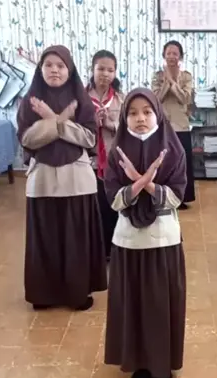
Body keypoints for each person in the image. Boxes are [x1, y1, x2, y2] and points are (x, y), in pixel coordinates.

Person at [103, 88, 187, 378]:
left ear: (158, 115)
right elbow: (114, 201)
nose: (140, 118)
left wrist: (147, 182)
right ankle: (138, 362)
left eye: (147, 112)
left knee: (160, 305)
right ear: (124, 118)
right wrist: (139, 182)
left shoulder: (173, 150)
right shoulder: (117, 152)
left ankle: (161, 364)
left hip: (163, 240)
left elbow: (176, 198)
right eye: (133, 113)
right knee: (133, 304)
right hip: (128, 241)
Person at [16, 45, 107, 311]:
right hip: (42, 179)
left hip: (76, 178)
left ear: (70, 70)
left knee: (75, 240)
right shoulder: (30, 101)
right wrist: (63, 121)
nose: (54, 70)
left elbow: (89, 138)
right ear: (40, 69)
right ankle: (44, 294)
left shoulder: (81, 100)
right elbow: (27, 139)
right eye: (48, 65)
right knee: (45, 240)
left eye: (60, 65)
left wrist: (51, 119)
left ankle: (77, 293)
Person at [86, 50, 124, 262]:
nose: (105, 74)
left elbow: (128, 130)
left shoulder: (120, 99)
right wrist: (93, 123)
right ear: (92, 70)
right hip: (87, 162)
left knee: (111, 205)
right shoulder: (81, 99)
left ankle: (111, 250)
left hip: (112, 162)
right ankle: (93, 251)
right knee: (91, 208)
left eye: (110, 70)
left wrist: (110, 124)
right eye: (101, 69)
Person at [152, 40, 195, 209]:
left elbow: (186, 98)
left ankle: (181, 197)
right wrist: (167, 82)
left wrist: (173, 82)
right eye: (168, 53)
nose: (171, 56)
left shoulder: (186, 76)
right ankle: (162, 195)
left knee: (181, 162)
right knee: (163, 162)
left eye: (175, 53)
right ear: (164, 55)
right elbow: (156, 99)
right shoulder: (157, 76)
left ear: (180, 57)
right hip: (162, 125)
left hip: (181, 124)